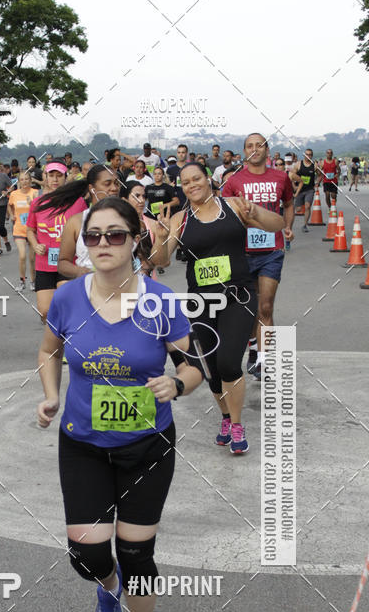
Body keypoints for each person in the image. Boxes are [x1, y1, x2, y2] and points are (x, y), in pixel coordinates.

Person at [37, 196, 202, 612]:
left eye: (115, 235)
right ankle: (108, 588)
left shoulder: (160, 300)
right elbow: (49, 351)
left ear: (134, 241)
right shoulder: (67, 297)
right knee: (86, 554)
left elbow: (195, 366)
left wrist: (176, 383)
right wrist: (50, 394)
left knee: (136, 553)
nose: (102, 243)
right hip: (83, 443)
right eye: (93, 236)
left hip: (147, 446)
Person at [164, 162, 285, 454]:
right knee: (213, 371)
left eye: (197, 179)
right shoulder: (180, 218)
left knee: (230, 362)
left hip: (239, 296)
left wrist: (255, 212)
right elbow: (160, 260)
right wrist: (158, 237)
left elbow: (277, 225)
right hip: (201, 302)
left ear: (208, 180)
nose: (191, 185)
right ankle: (226, 418)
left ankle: (239, 424)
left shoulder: (233, 205)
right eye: (185, 182)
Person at [222, 133, 294, 380]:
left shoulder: (281, 177)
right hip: (243, 252)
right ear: (244, 151)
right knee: (249, 308)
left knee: (266, 305)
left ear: (266, 149)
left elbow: (289, 204)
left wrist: (287, 226)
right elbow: (224, 213)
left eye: (259, 145)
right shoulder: (234, 181)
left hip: (272, 250)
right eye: (250, 146)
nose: (255, 149)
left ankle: (264, 361)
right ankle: (254, 348)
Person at [26, 158, 87, 324]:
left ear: (66, 178)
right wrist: (35, 244)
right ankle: (57, 340)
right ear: (45, 177)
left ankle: (69, 342)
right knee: (45, 311)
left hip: (68, 262)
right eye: (51, 175)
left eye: (59, 175)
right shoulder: (38, 203)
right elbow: (30, 230)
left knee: (65, 304)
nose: (54, 179)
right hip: (44, 263)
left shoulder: (78, 202)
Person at [55, 164, 122, 280]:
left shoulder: (128, 219)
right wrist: (81, 271)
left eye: (116, 183)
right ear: (92, 188)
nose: (114, 188)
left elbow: (151, 259)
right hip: (88, 289)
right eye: (107, 184)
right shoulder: (76, 222)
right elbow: (63, 263)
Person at [123, 180, 169, 278]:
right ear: (124, 200)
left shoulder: (153, 224)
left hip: (149, 284)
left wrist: (162, 238)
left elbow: (163, 262)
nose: (142, 200)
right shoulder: (116, 225)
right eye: (136, 196)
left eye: (144, 196)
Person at [7, 171, 38, 290]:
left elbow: (41, 209)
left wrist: (32, 205)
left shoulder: (35, 193)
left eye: (26, 179)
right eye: (22, 179)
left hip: (33, 230)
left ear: (30, 180)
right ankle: (22, 281)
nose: (24, 182)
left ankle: (33, 281)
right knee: (22, 255)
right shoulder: (14, 194)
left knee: (32, 258)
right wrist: (11, 215)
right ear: (18, 182)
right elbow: (9, 205)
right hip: (19, 229)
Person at [290, 148, 316, 232]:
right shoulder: (298, 164)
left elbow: (320, 175)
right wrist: (294, 186)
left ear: (312, 156)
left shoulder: (314, 165)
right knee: (298, 209)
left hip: (310, 189)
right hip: (300, 190)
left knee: (308, 206)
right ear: (304, 155)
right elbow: (291, 176)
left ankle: (305, 225)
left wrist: (317, 183)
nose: (308, 156)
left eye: (310, 154)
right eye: (306, 154)